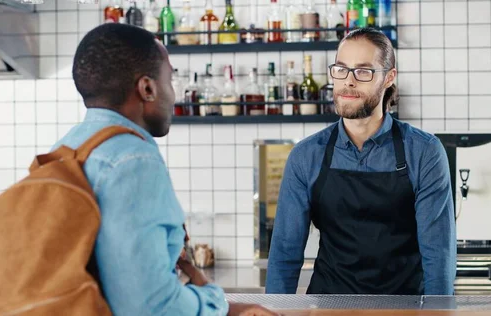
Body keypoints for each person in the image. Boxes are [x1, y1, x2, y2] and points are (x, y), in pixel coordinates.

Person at [53, 23, 276, 316]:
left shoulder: (66, 148)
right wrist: (216, 304)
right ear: (147, 88)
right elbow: (150, 306)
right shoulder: (133, 160)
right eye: (170, 81)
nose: (173, 95)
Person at [265, 28, 457, 296]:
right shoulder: (306, 156)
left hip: (404, 307)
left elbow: (439, 253)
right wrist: (274, 311)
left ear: (389, 77)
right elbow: (285, 253)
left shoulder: (424, 152)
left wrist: (438, 313)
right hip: (329, 306)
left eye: (363, 71)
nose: (348, 82)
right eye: (341, 69)